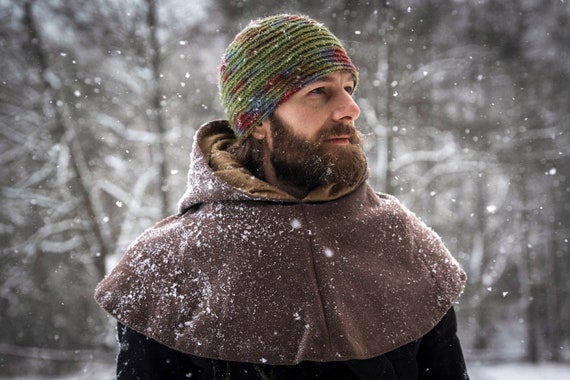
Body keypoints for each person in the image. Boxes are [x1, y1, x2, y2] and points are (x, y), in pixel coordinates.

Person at [95, 14, 469, 380]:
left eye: (348, 88)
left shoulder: (402, 240)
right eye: (318, 91)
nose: (350, 109)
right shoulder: (169, 262)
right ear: (257, 123)